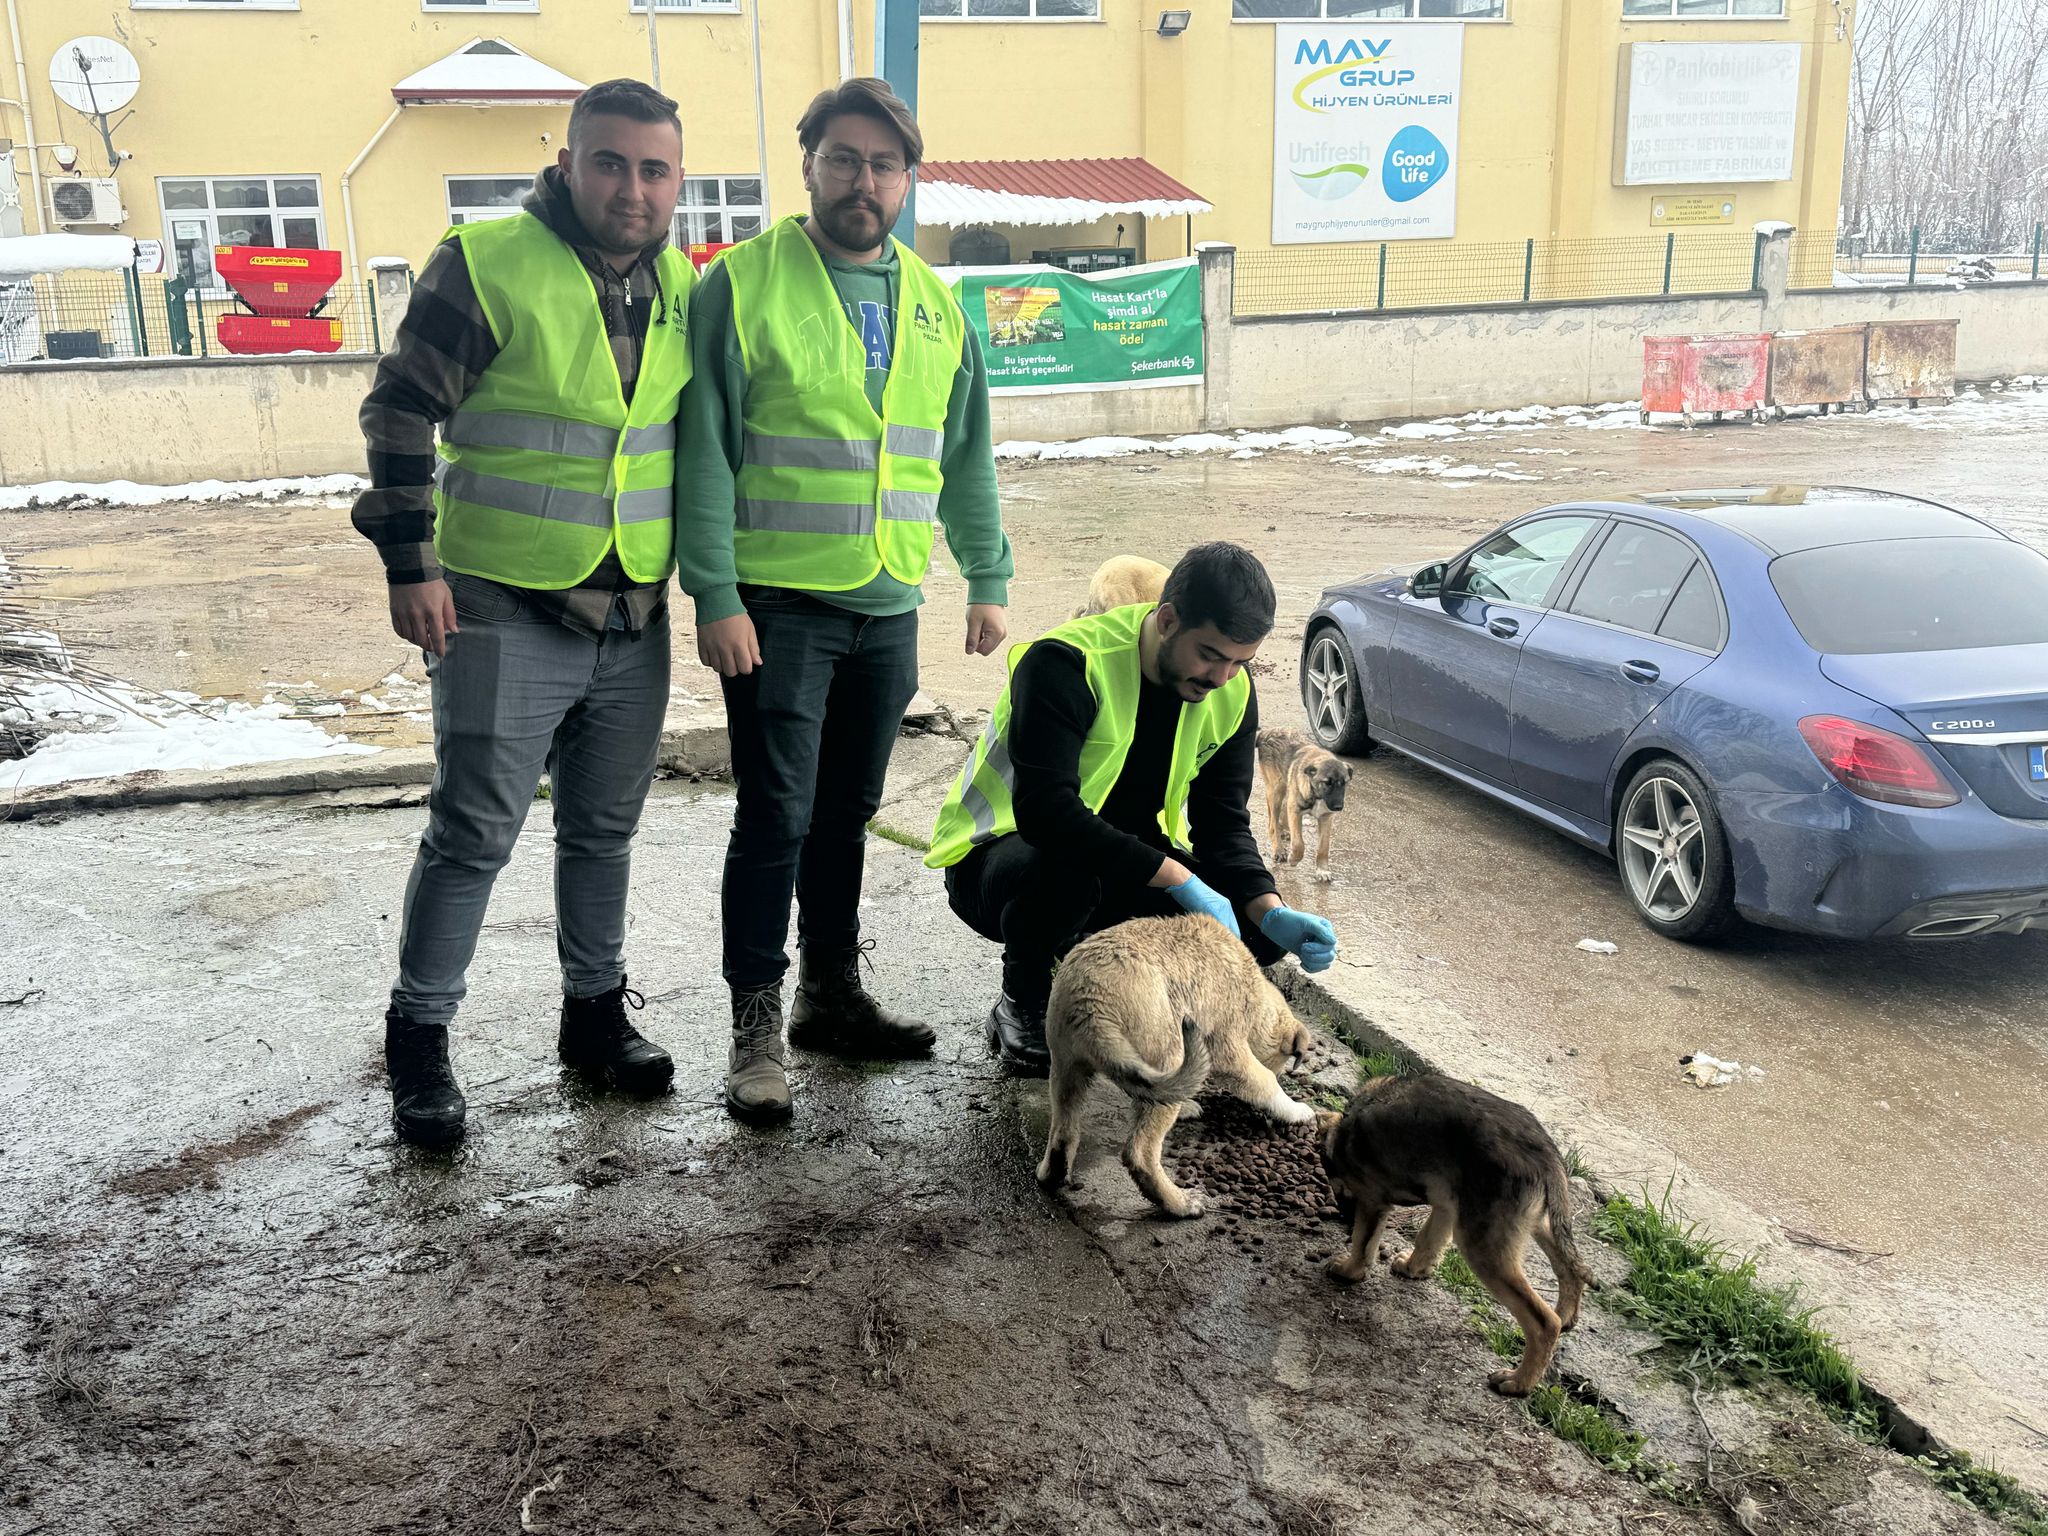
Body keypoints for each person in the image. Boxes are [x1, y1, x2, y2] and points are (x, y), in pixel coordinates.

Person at [351, 79, 695, 1147]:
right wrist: (412, 566)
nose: (631, 189)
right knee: (472, 834)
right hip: (501, 606)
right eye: (610, 163)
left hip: (631, 610)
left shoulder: (680, 281)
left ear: (675, 179)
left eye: (653, 169)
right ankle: (420, 1040)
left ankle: (593, 1017)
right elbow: (400, 408)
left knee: (603, 832)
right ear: (569, 160)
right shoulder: (488, 261)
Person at [677, 77, 1013, 1124]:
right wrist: (715, 591)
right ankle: (753, 1028)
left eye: (882, 164)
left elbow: (963, 456)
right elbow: (705, 451)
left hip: (886, 608)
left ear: (907, 179)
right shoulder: (741, 284)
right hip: (776, 609)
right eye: (841, 159)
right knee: (773, 814)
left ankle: (829, 994)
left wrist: (985, 576)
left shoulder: (932, 301)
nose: (861, 181)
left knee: (847, 813)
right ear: (809, 163)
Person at [926, 543, 1339, 1074]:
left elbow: (1223, 825)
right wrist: (1176, 879)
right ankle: (1023, 1000)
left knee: (1252, 935)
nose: (1221, 677)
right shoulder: (1065, 662)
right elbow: (1046, 813)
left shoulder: (1231, 690)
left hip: (1123, 862)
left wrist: (1267, 905)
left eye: (1241, 661)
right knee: (1068, 873)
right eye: (1210, 654)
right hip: (1004, 864)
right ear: (1166, 620)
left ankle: (1128, 994)